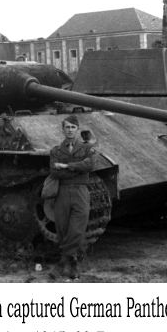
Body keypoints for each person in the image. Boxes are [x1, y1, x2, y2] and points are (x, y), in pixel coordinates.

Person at [48, 115, 96, 280]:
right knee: (62, 228)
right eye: (67, 127)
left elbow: (89, 165)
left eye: (73, 127)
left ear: (78, 129)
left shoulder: (87, 148)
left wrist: (67, 166)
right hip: (62, 192)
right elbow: (54, 172)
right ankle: (74, 261)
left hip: (80, 192)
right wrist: (77, 169)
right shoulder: (56, 151)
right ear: (63, 129)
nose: (70, 130)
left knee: (77, 228)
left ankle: (62, 262)